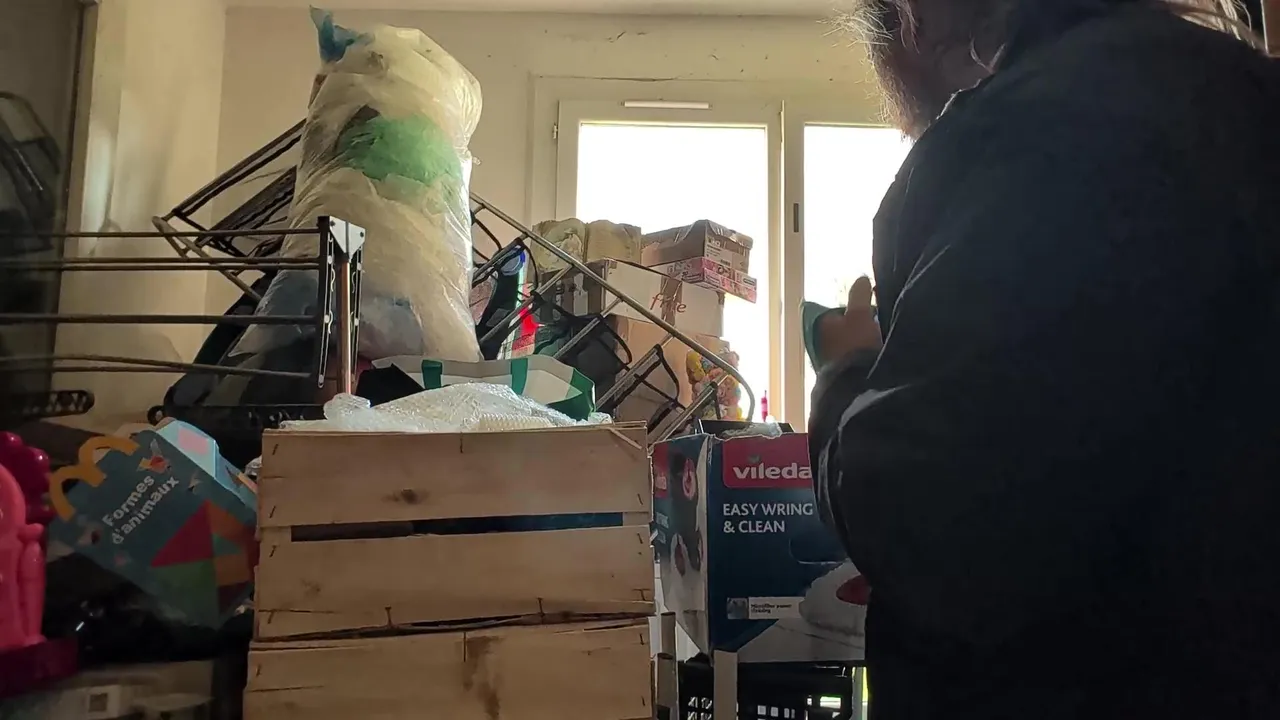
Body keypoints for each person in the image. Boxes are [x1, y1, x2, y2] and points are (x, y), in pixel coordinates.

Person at [807, 0, 1280, 718]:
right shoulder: (1248, 101)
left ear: (916, 20)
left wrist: (847, 372)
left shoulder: (1032, 133)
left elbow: (931, 518)